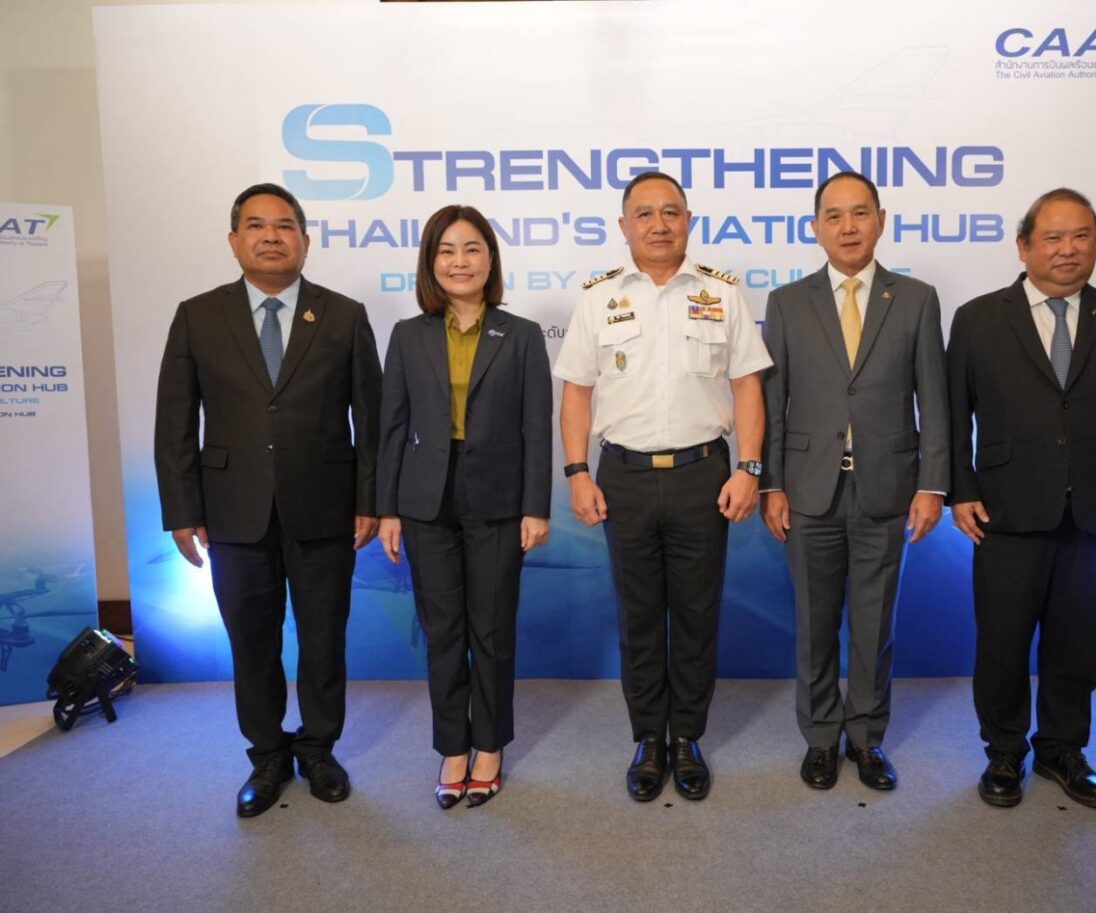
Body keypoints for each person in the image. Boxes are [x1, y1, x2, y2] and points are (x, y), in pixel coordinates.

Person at [154, 182, 382, 818]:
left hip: (326, 507)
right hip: (232, 510)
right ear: (235, 241)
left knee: (323, 638)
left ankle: (318, 750)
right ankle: (266, 756)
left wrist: (370, 498)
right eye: (256, 226)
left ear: (306, 241)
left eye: (285, 226)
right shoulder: (198, 315)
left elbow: (372, 419)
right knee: (251, 641)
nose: (272, 237)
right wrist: (182, 510)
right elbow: (175, 421)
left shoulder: (344, 315)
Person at [554, 172, 771, 802]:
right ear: (624, 226)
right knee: (639, 615)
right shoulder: (599, 298)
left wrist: (749, 468)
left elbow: (748, 386)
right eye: (645, 214)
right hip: (622, 476)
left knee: (698, 615)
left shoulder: (721, 293)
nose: (658, 224)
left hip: (705, 474)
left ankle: (688, 739)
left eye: (671, 212)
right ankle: (649, 738)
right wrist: (577, 472)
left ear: (689, 221)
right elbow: (576, 392)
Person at [947, 188, 1096, 810]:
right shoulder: (978, 318)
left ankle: (1063, 750)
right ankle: (1004, 753)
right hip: (1005, 508)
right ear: (1024, 247)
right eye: (1053, 237)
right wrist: (959, 489)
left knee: (1076, 639)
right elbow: (953, 414)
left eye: (1081, 236)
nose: (1068, 249)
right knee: (1003, 641)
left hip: (1094, 510)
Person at [759, 171, 949, 792]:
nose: (848, 227)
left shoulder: (916, 299)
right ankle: (820, 737)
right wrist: (771, 486)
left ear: (881, 221)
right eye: (834, 216)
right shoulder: (787, 302)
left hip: (887, 488)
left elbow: (934, 399)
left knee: (874, 625)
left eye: (860, 213)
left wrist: (933, 484)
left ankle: (866, 738)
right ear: (815, 227)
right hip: (807, 490)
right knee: (814, 623)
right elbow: (773, 402)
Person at [376, 205, 552, 809]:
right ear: (430, 262)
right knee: (443, 631)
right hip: (425, 502)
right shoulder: (408, 335)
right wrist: (388, 509)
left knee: (492, 630)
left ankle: (490, 746)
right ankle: (453, 748)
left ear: (490, 259)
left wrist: (536, 506)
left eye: (472, 249)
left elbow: (536, 427)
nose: (460, 261)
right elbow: (391, 427)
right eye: (446, 250)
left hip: (499, 500)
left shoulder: (521, 334)